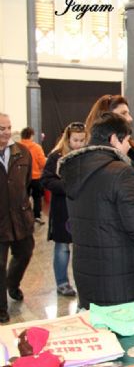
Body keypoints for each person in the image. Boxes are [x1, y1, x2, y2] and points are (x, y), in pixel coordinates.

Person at [59, 112, 134, 309]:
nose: (129, 147)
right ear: (114, 139)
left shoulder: (74, 170)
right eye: (127, 140)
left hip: (87, 274)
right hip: (124, 276)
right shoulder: (121, 172)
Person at [85, 95, 134, 205]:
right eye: (123, 113)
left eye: (128, 113)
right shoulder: (93, 154)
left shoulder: (128, 145)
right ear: (107, 118)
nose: (130, 118)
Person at [40, 122, 87, 297]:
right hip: (62, 210)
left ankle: (83, 281)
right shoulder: (56, 156)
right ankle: (62, 282)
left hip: (82, 209)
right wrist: (66, 186)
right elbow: (46, 180)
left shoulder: (87, 155)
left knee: (82, 248)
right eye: (75, 140)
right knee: (62, 247)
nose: (79, 144)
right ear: (68, 139)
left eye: (82, 140)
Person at [0, 113, 34, 323]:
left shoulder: (22, 152)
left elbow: (27, 182)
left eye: (8, 127)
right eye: (1, 128)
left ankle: (12, 284)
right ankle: (1, 308)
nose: (6, 132)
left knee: (25, 253)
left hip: (21, 218)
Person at [19, 127, 46, 225]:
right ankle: (37, 216)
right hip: (35, 177)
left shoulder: (17, 147)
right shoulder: (37, 147)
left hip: (21, 178)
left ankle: (24, 216)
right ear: (31, 135)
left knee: (23, 198)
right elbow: (43, 163)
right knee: (37, 197)